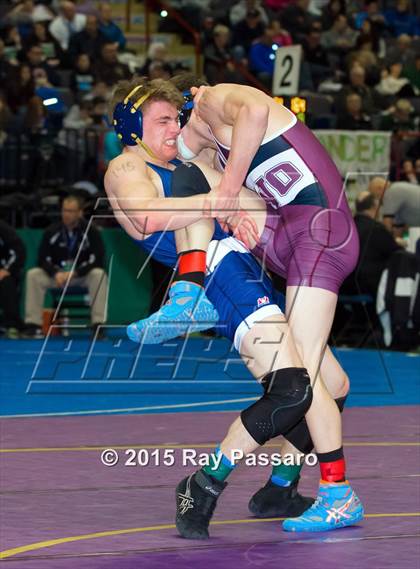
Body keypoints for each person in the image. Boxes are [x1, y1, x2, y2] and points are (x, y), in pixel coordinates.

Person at [105, 78, 363, 536]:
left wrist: (237, 205)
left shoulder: (186, 161)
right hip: (227, 281)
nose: (174, 127)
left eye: (176, 117)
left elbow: (230, 176)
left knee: (334, 383)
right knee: (293, 390)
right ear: (131, 127)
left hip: (246, 268)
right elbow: (146, 216)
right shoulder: (127, 167)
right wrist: (218, 201)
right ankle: (203, 483)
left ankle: (280, 487)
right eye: (161, 120)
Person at [24, 195, 108, 338]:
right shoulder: (51, 231)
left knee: (99, 274)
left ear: (80, 212)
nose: (66, 214)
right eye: (64, 210)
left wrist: (75, 273)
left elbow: (97, 260)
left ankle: (98, 325)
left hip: (80, 277)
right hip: (57, 278)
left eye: (70, 211)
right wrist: (55, 273)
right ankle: (33, 325)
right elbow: (42, 259)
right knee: (34, 274)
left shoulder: (91, 231)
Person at [0, 220, 26, 337]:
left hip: (3, 271)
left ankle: (12, 324)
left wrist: (7, 269)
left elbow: (19, 251)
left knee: (6, 281)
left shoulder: (4, 229)